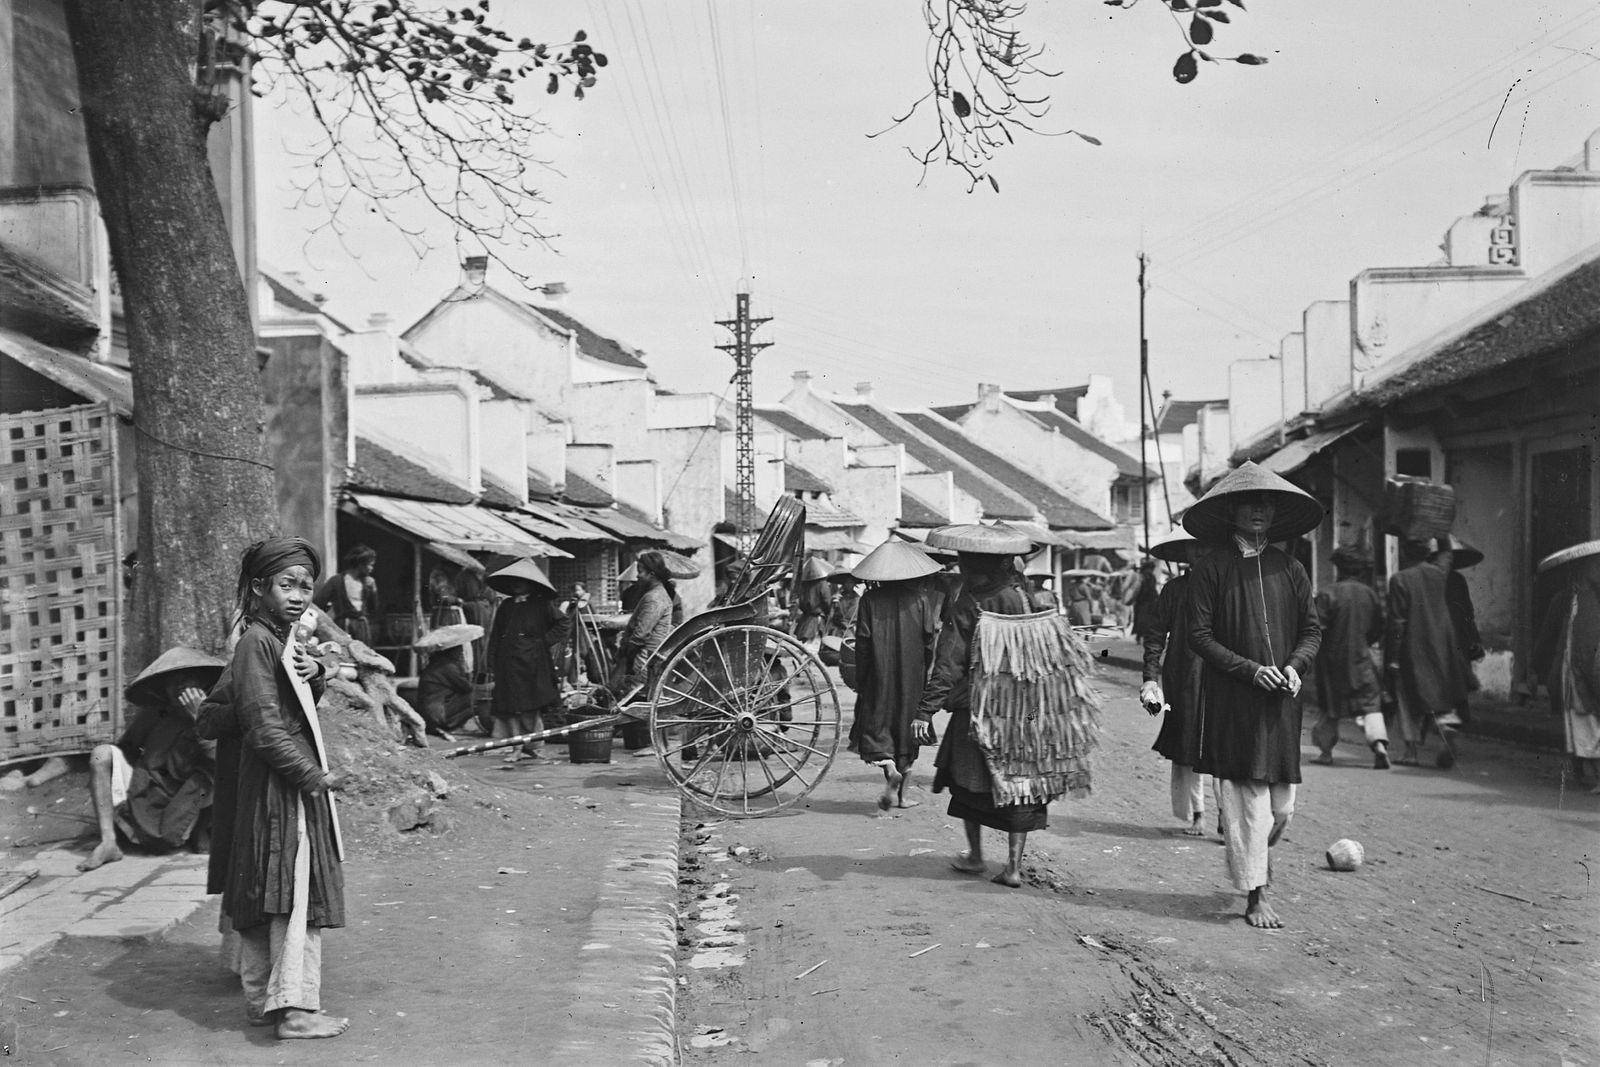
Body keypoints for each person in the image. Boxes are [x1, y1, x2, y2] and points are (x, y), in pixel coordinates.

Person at [197, 536, 348, 1040]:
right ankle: (298, 1013)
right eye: (287, 584)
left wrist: (318, 673)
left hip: (269, 785)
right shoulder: (257, 643)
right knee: (294, 893)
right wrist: (312, 776)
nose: (299, 595)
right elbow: (263, 725)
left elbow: (247, 709)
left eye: (306, 586)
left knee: (274, 889)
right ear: (260, 587)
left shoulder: (278, 641)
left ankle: (266, 1002)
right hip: (282, 788)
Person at [917, 524, 1098, 888]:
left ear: (973, 566)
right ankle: (1013, 867)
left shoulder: (969, 602)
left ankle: (976, 856)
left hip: (979, 707)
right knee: (1023, 783)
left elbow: (950, 659)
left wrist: (926, 709)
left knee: (967, 783)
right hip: (1028, 707)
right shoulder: (1024, 597)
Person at [1186, 462, 1322, 931]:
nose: (1259, 510)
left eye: (1266, 502)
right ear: (1232, 511)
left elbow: (1311, 630)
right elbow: (1199, 636)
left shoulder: (1291, 568)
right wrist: (1250, 670)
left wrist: (1293, 666)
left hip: (1282, 703)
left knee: (1281, 808)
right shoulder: (1211, 569)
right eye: (1250, 502)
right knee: (1249, 805)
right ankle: (1255, 895)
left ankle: (1257, 857)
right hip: (1235, 704)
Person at [77, 647, 227, 872]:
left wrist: (199, 718)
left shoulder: (218, 709)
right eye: (172, 681)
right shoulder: (155, 713)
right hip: (152, 790)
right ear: (162, 689)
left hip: (194, 795)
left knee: (212, 778)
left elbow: (225, 762)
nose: (181, 686)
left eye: (188, 678)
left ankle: (200, 829)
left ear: (203, 681)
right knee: (101, 754)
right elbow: (127, 749)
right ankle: (108, 841)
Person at [848, 541, 945, 811]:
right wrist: (924, 670)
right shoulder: (921, 600)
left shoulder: (869, 600)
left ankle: (890, 768)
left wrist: (863, 676)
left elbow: (863, 642)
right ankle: (902, 797)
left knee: (878, 723)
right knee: (906, 726)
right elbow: (929, 642)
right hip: (912, 673)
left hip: (879, 672)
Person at [1140, 531, 1213, 836]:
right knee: (1188, 745)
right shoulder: (1173, 590)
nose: (1199, 552)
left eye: (1205, 545)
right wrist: (1150, 679)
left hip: (1223, 676)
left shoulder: (1227, 587)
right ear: (1185, 552)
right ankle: (1198, 813)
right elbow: (1155, 636)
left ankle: (1228, 815)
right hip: (1183, 676)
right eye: (1193, 547)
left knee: (1224, 745)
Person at [1385, 537, 1470, 768]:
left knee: (1406, 699)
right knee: (1438, 693)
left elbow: (1397, 621)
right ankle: (1446, 726)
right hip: (1441, 646)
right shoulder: (1441, 577)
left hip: (1410, 648)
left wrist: (1392, 657)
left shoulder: (1400, 579)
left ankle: (1410, 752)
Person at [1530, 539, 1600, 792]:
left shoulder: (1595, 599)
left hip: (1592, 671)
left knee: (1590, 724)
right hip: (1570, 673)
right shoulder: (1564, 600)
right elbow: (1549, 637)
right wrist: (1535, 669)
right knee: (1579, 726)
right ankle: (1588, 772)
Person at [1311, 545, 1390, 769]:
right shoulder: (1370, 594)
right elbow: (1378, 627)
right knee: (1370, 705)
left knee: (1330, 709)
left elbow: (1316, 628)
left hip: (1332, 662)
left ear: (1339, 568)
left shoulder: (1328, 594)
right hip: (1362, 659)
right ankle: (1379, 746)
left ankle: (1326, 753)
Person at [486, 558, 571, 764]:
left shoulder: (542, 605)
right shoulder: (506, 605)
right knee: (510, 707)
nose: (516, 584)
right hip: (507, 662)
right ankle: (516, 748)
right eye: (513, 580)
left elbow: (564, 623)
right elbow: (496, 634)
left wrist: (543, 642)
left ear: (531, 583)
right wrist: (491, 661)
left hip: (533, 662)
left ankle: (534, 746)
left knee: (531, 705)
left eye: (521, 580)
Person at [612, 550, 678, 693]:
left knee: (633, 696)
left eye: (640, 572)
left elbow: (641, 634)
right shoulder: (655, 594)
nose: (637, 576)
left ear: (651, 574)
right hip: (648, 656)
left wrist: (626, 656)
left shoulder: (654, 598)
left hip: (644, 658)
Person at [1441, 536, 1487, 726]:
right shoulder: (1436, 579)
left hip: (1457, 634)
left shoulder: (1458, 580)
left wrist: (1474, 637)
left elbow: (1468, 611)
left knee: (1456, 676)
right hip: (1445, 634)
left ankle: (1457, 714)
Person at [413, 623, 483, 737]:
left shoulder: (437, 664)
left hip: (430, 715)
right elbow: (466, 688)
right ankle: (454, 726)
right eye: (459, 650)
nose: (461, 653)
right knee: (475, 695)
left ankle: (454, 725)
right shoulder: (447, 667)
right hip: (438, 716)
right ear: (451, 651)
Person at [314, 544, 380, 645]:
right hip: (342, 628)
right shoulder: (336, 581)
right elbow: (317, 603)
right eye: (370, 565)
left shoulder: (367, 584)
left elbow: (374, 609)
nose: (372, 569)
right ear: (360, 564)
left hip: (362, 629)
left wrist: (373, 590)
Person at [792, 556, 832, 650]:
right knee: (813, 646)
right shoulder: (822, 584)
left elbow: (800, 603)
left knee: (805, 645)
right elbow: (827, 602)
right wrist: (827, 613)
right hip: (816, 618)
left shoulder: (803, 585)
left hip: (806, 618)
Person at [1126, 557, 1162, 643]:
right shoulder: (1151, 577)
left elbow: (1137, 589)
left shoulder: (1141, 576)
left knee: (1140, 618)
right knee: (1148, 620)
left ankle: (1139, 636)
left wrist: (1132, 599)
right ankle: (1145, 636)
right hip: (1150, 601)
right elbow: (1152, 589)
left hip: (1141, 601)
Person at [825, 571, 861, 640]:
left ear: (854, 584)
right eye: (846, 582)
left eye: (850, 583)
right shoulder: (837, 597)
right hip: (836, 630)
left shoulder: (858, 599)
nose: (848, 585)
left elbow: (856, 617)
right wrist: (833, 603)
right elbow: (830, 615)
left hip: (851, 630)